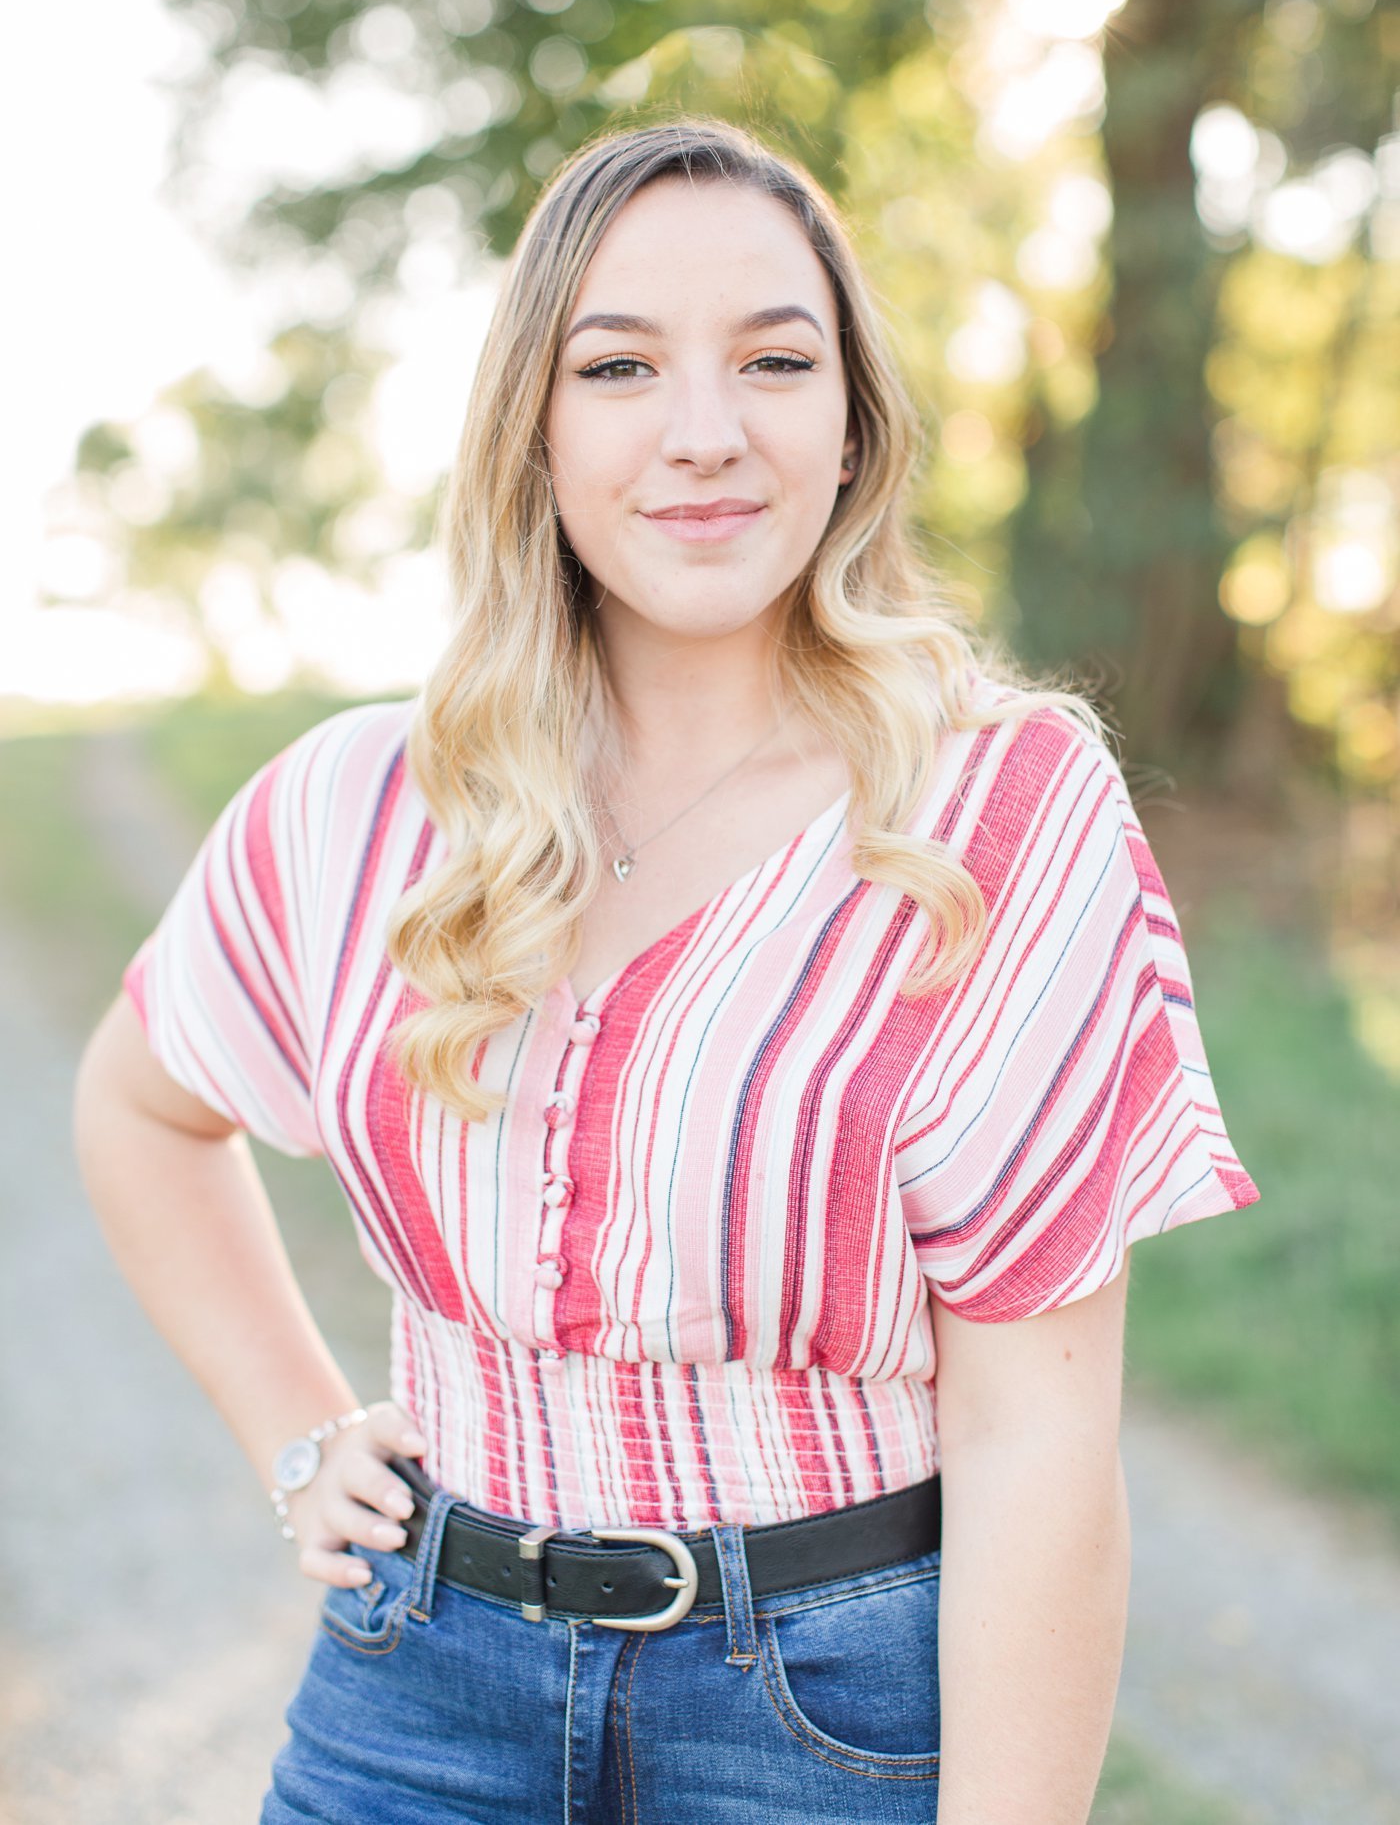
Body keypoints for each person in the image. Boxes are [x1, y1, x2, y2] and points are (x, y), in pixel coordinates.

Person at [74, 115, 1261, 1825]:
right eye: (619, 366)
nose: (704, 434)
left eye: (776, 361)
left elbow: (1042, 1447)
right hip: (419, 1687)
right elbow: (138, 1100)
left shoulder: (999, 810)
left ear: (852, 427)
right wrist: (295, 1429)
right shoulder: (358, 805)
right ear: (534, 434)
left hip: (830, 1718)